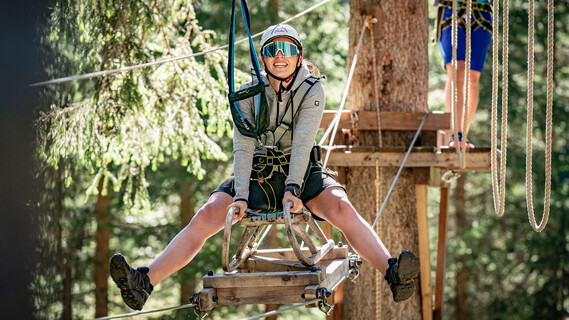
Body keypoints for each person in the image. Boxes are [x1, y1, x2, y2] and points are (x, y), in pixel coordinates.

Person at [109, 24, 420, 311]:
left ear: (300, 56)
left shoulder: (312, 90)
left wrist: (293, 188)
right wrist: (241, 195)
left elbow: (302, 143)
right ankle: (144, 282)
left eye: (287, 49)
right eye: (273, 50)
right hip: (259, 174)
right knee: (206, 215)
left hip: (300, 173)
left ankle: (393, 272)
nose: (280, 56)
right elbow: (243, 146)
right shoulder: (248, 94)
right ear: (264, 58)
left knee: (341, 207)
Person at [434, 0, 493, 148]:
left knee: (473, 78)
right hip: (452, 9)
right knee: (457, 71)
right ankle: (457, 134)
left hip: (481, 12)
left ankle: (463, 134)